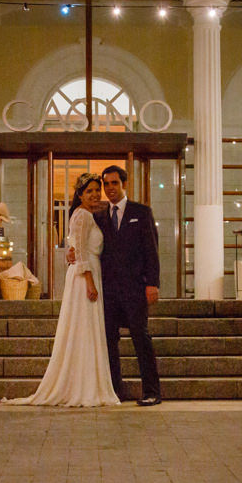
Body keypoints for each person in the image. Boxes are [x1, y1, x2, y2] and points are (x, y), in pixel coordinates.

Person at [5, 173, 119, 407]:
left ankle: (87, 382)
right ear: (79, 195)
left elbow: (75, 247)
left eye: (98, 189)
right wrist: (89, 282)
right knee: (84, 328)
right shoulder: (83, 216)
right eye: (89, 191)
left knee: (86, 330)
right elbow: (80, 253)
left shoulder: (90, 214)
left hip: (87, 272)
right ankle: (83, 386)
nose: (95, 194)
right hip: (85, 277)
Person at [95, 165, 162, 405]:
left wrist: (152, 284)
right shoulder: (99, 216)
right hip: (109, 292)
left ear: (124, 184)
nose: (110, 188)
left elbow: (151, 251)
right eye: (106, 184)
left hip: (136, 289)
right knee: (109, 342)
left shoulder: (141, 212)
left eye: (114, 183)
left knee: (140, 338)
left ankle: (152, 391)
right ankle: (116, 390)